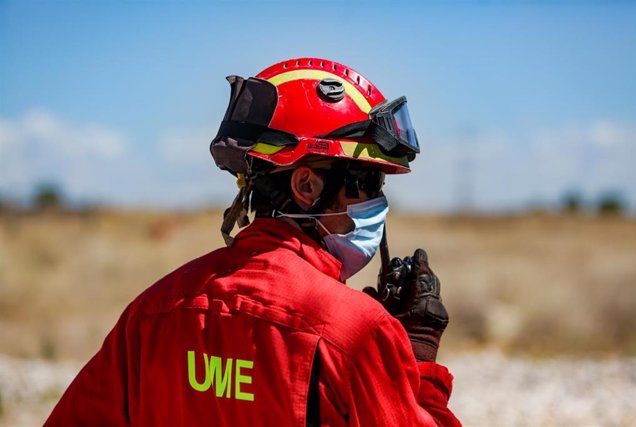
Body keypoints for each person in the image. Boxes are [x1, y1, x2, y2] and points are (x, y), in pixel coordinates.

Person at [45, 58, 461, 426]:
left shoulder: (152, 312)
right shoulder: (357, 333)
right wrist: (418, 365)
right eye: (368, 181)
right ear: (306, 184)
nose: (378, 201)